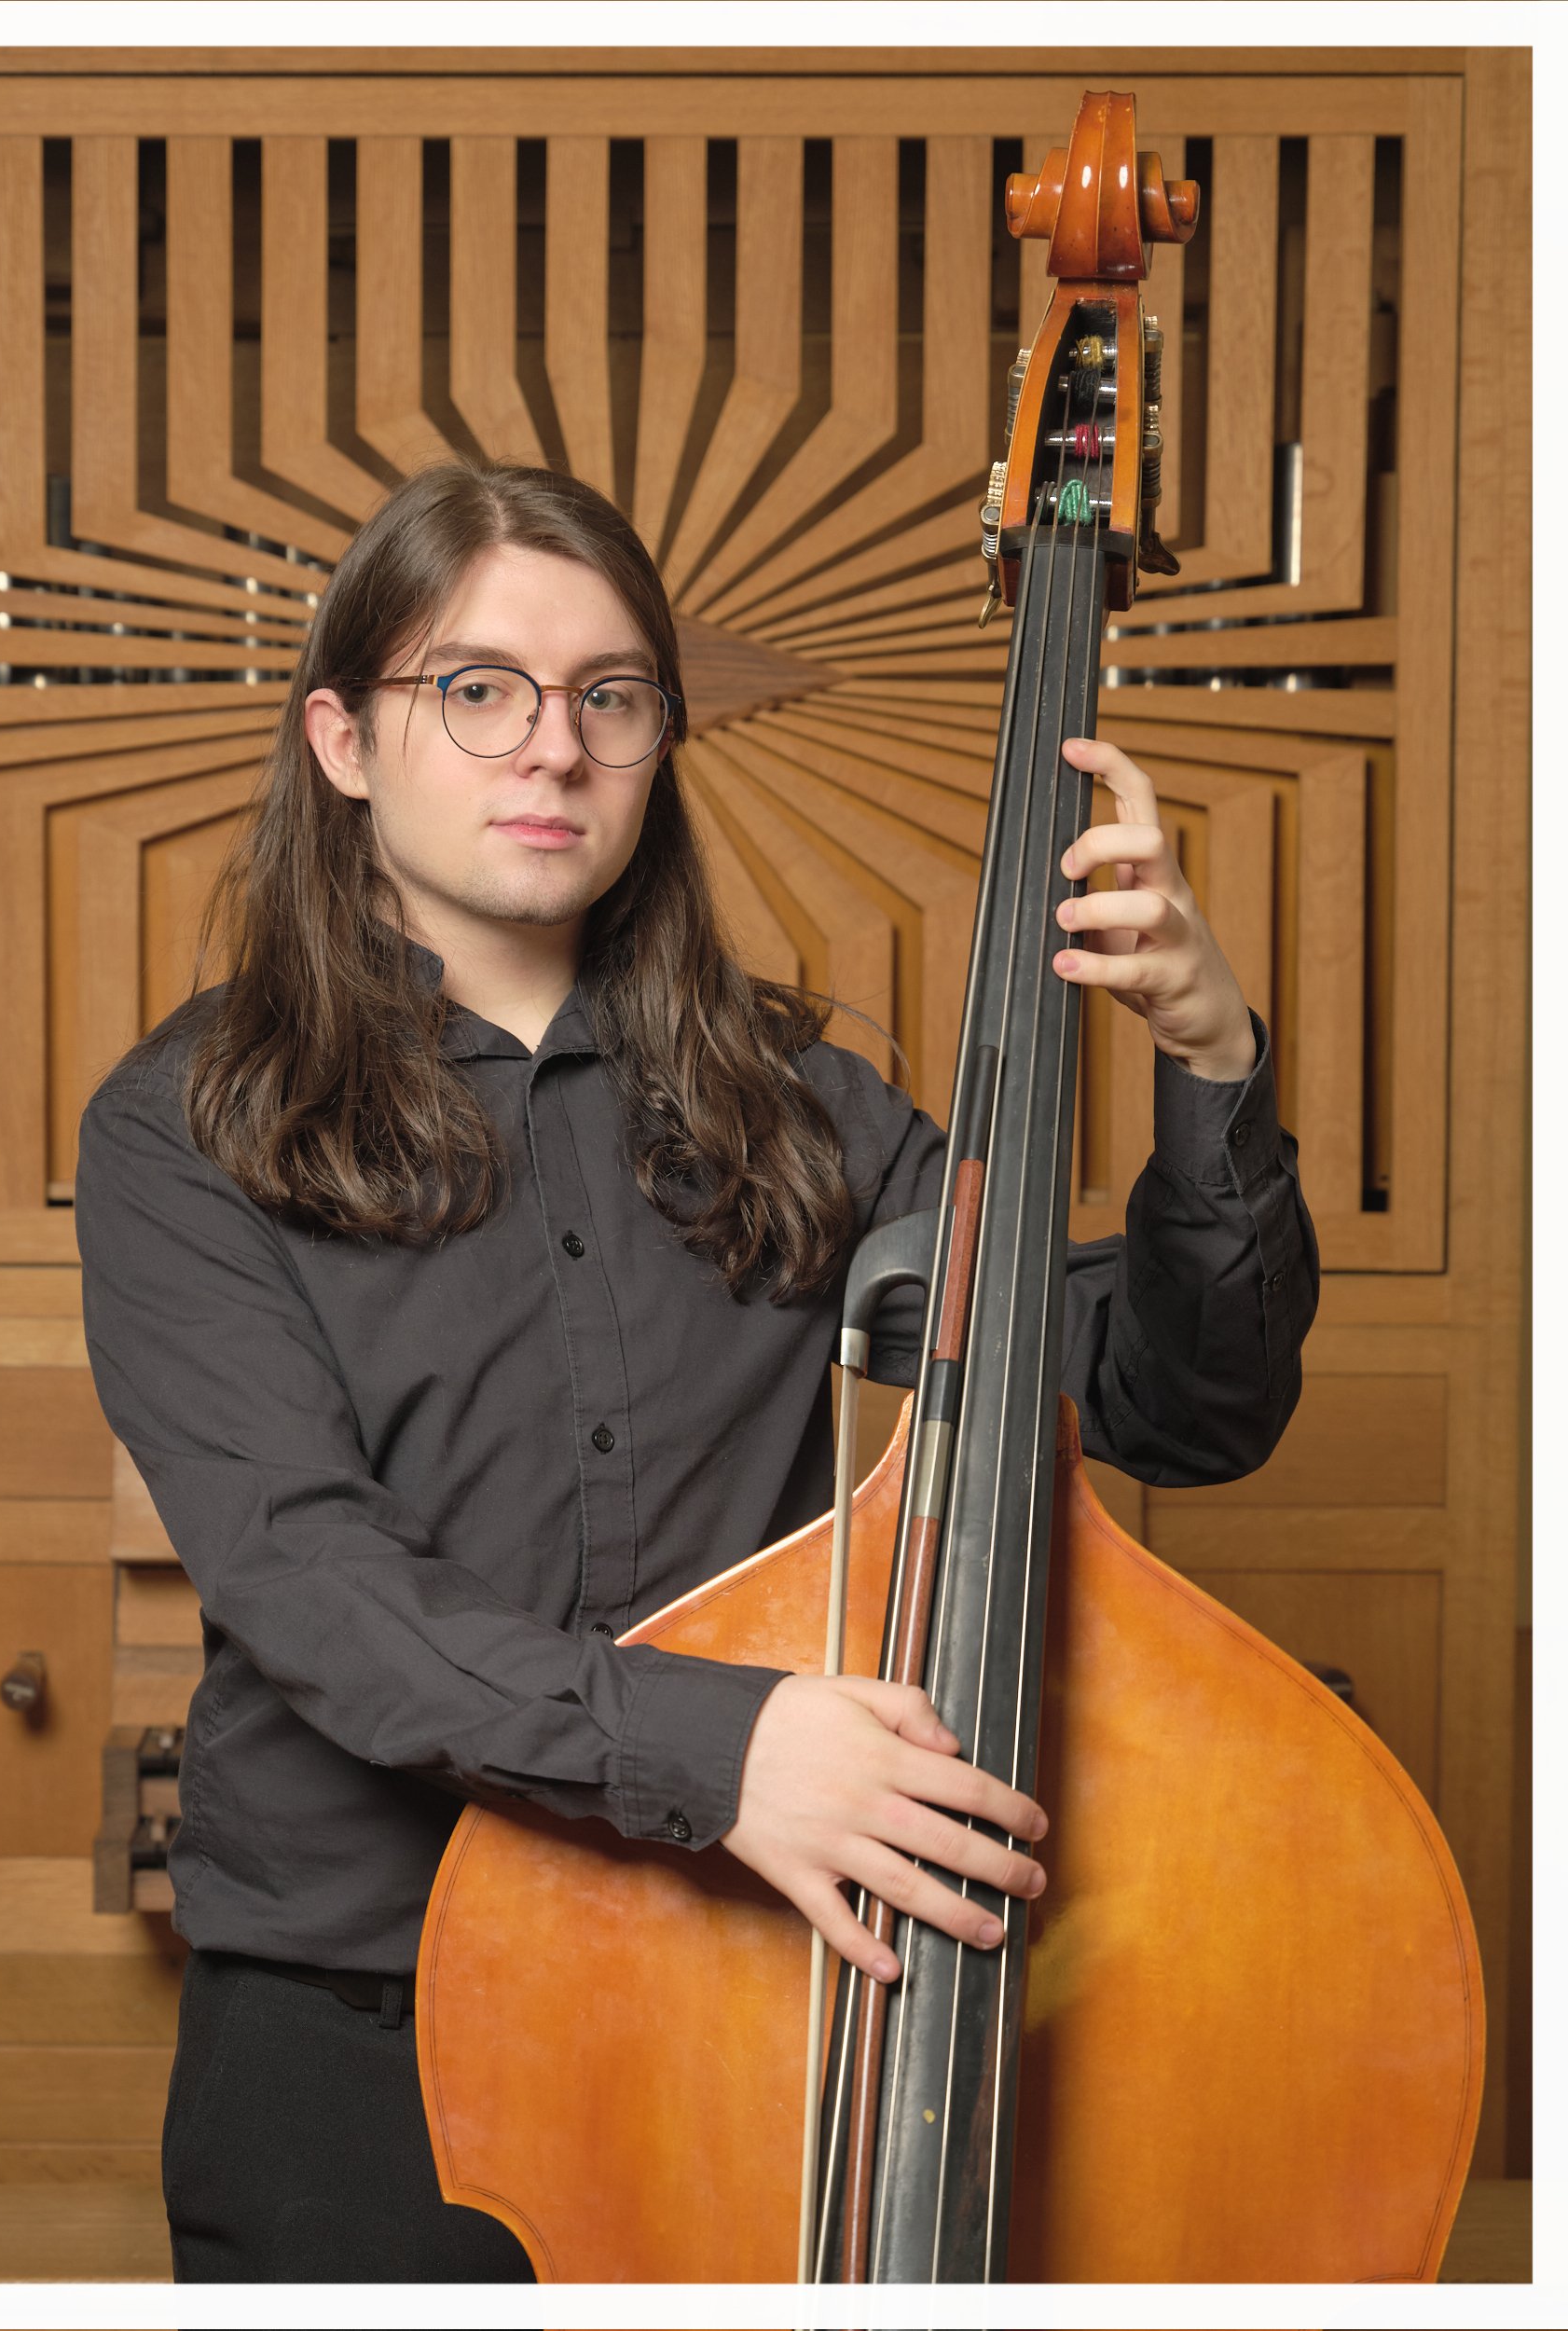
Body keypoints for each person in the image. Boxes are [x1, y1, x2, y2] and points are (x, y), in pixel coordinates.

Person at [74, 461, 1317, 2283]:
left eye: (610, 695)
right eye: (475, 688)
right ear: (342, 739)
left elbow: (1174, 1404)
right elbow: (315, 1590)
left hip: (747, 1974)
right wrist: (731, 1747)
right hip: (363, 1999)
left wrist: (1207, 1056)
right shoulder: (182, 1129)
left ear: (658, 741)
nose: (550, 748)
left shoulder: (797, 1102)